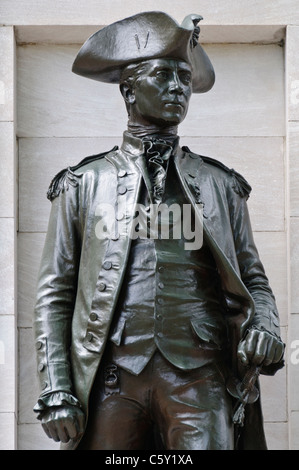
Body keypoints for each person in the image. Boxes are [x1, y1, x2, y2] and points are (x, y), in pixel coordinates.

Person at [33, 11, 284, 450]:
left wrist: (265, 326)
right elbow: (55, 292)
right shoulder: (83, 183)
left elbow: (254, 280)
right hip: (110, 378)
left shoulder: (220, 184)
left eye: (185, 78)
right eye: (164, 75)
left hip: (201, 379)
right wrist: (56, 385)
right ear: (129, 89)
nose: (178, 88)